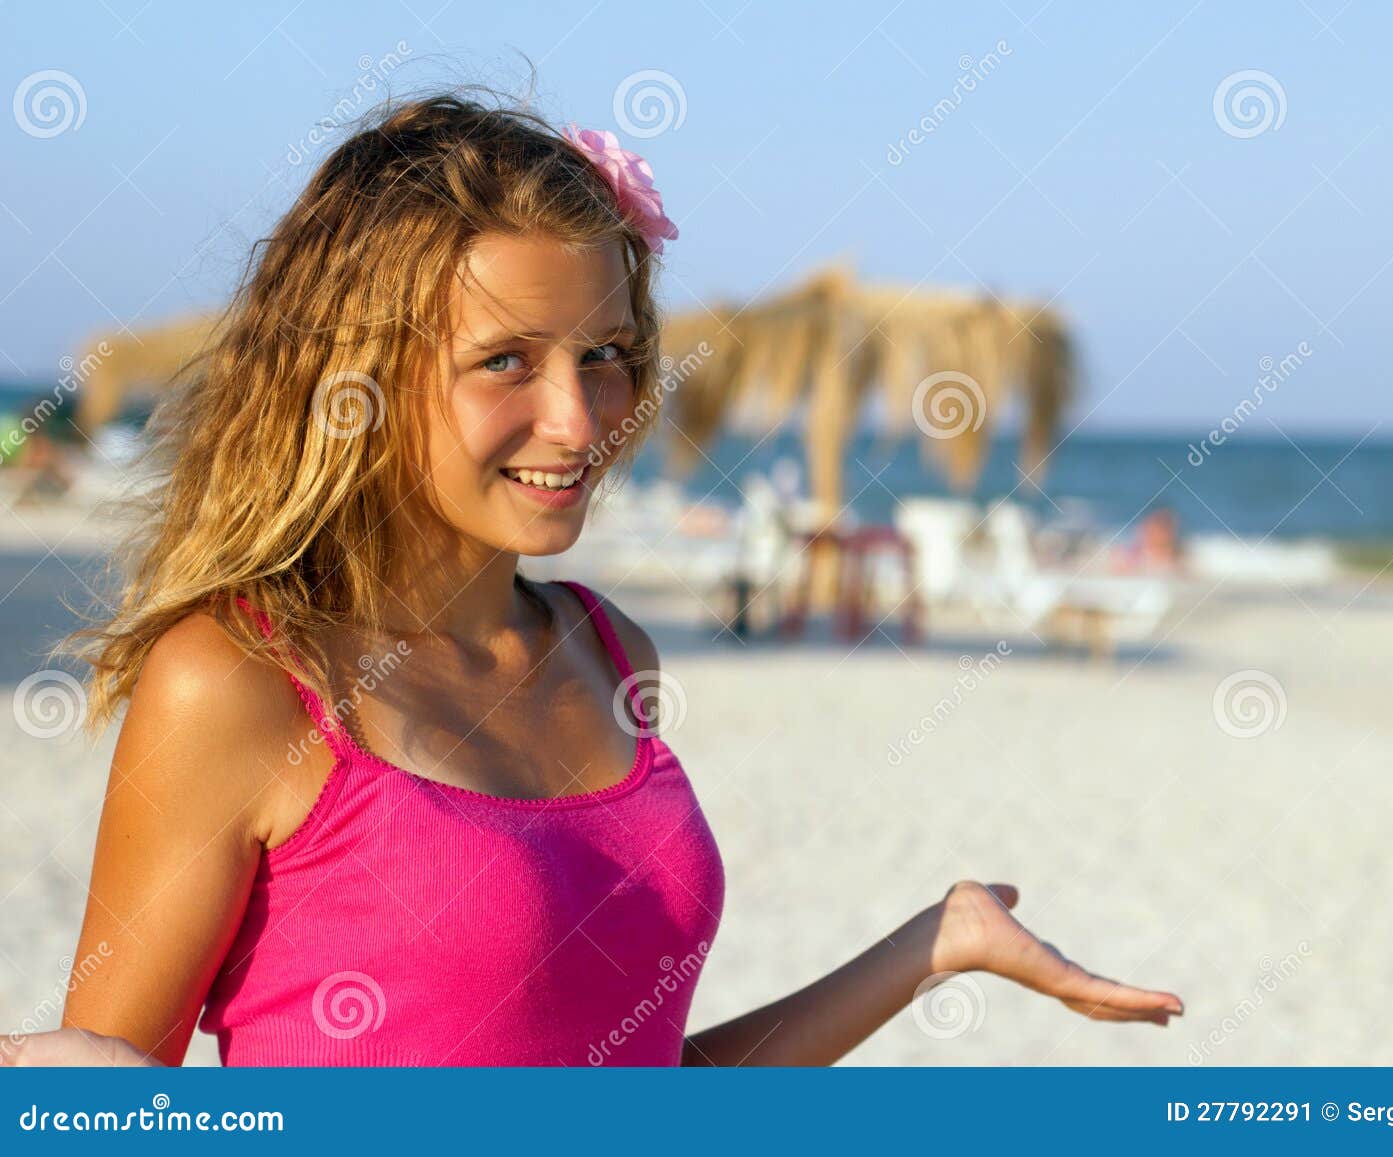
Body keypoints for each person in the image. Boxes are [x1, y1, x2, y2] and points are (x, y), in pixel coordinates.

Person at [3, 92, 1181, 1068]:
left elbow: (646, 1090)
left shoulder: (611, 654)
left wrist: (930, 944)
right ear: (355, 378)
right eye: (505, 360)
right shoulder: (239, 683)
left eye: (605, 358)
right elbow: (106, 1098)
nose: (578, 420)